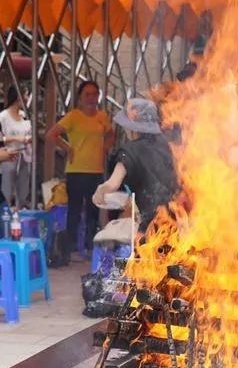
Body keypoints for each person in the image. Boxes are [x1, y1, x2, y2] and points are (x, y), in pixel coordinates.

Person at [46, 81, 113, 260]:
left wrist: (105, 147)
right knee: (75, 210)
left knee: (93, 210)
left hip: (96, 170)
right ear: (80, 98)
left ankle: (90, 248)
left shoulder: (102, 117)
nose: (91, 98)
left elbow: (111, 133)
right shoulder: (73, 116)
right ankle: (72, 249)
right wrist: (68, 148)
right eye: (87, 95)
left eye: (94, 94)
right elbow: (52, 134)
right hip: (76, 171)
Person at [93, 99, 178, 233]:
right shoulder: (170, 147)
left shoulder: (130, 151)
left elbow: (112, 184)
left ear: (132, 126)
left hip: (150, 228)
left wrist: (101, 190)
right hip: (178, 222)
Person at [0, 86, 32, 208]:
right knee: (7, 189)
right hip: (8, 155)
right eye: (26, 94)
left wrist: (29, 138)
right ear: (19, 97)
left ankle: (20, 213)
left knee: (23, 188)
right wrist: (15, 139)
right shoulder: (3, 116)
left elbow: (29, 131)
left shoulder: (24, 115)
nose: (28, 98)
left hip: (24, 155)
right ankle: (5, 214)